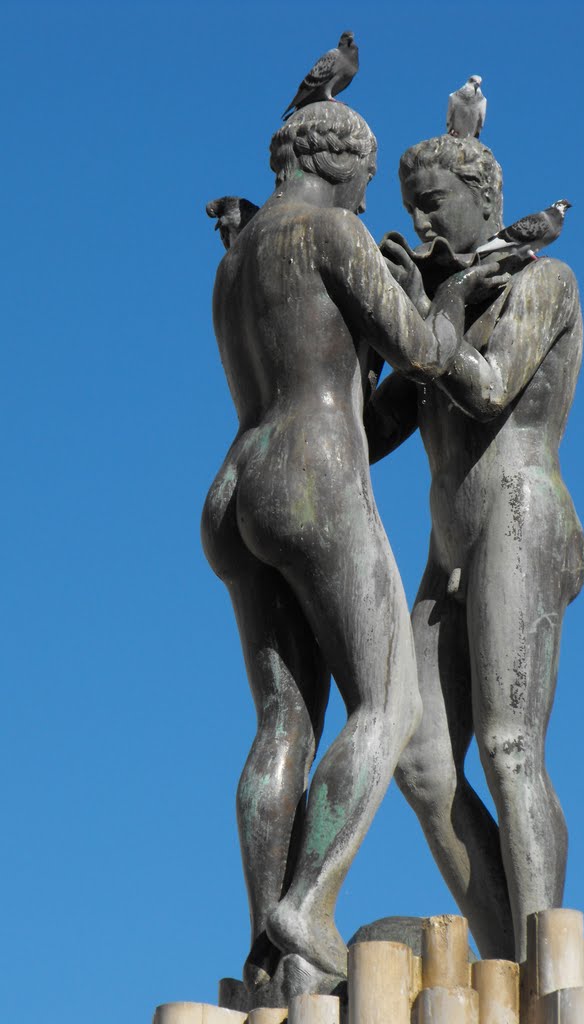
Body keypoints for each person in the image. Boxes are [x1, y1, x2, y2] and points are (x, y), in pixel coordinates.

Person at [201, 106, 505, 1003]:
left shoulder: (236, 258)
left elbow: (333, 369)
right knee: (389, 701)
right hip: (314, 472)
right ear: (342, 163)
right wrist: (443, 297)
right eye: (371, 179)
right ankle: (308, 905)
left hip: (235, 483)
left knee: (282, 723)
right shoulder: (330, 231)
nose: (378, 199)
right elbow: (421, 353)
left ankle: (267, 948)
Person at [367, 135, 584, 961]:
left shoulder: (544, 282)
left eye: (436, 202)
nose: (420, 220)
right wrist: (362, 335)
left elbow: (489, 384)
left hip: (521, 516)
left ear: (487, 202)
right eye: (411, 206)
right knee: (420, 764)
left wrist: (435, 311)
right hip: (449, 541)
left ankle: (547, 963)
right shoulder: (436, 320)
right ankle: (505, 960)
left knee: (507, 744)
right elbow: (364, 432)